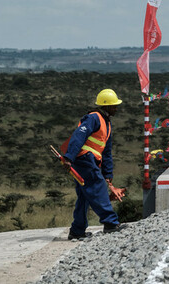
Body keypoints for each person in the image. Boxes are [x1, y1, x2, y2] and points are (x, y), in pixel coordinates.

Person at [62, 89, 124, 240]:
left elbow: (106, 152)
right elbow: (79, 136)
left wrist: (108, 175)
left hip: (91, 160)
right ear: (106, 106)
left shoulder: (107, 124)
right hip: (83, 159)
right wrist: (69, 157)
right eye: (114, 105)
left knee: (84, 196)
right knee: (97, 186)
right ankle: (110, 223)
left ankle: (77, 231)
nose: (116, 108)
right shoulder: (93, 118)